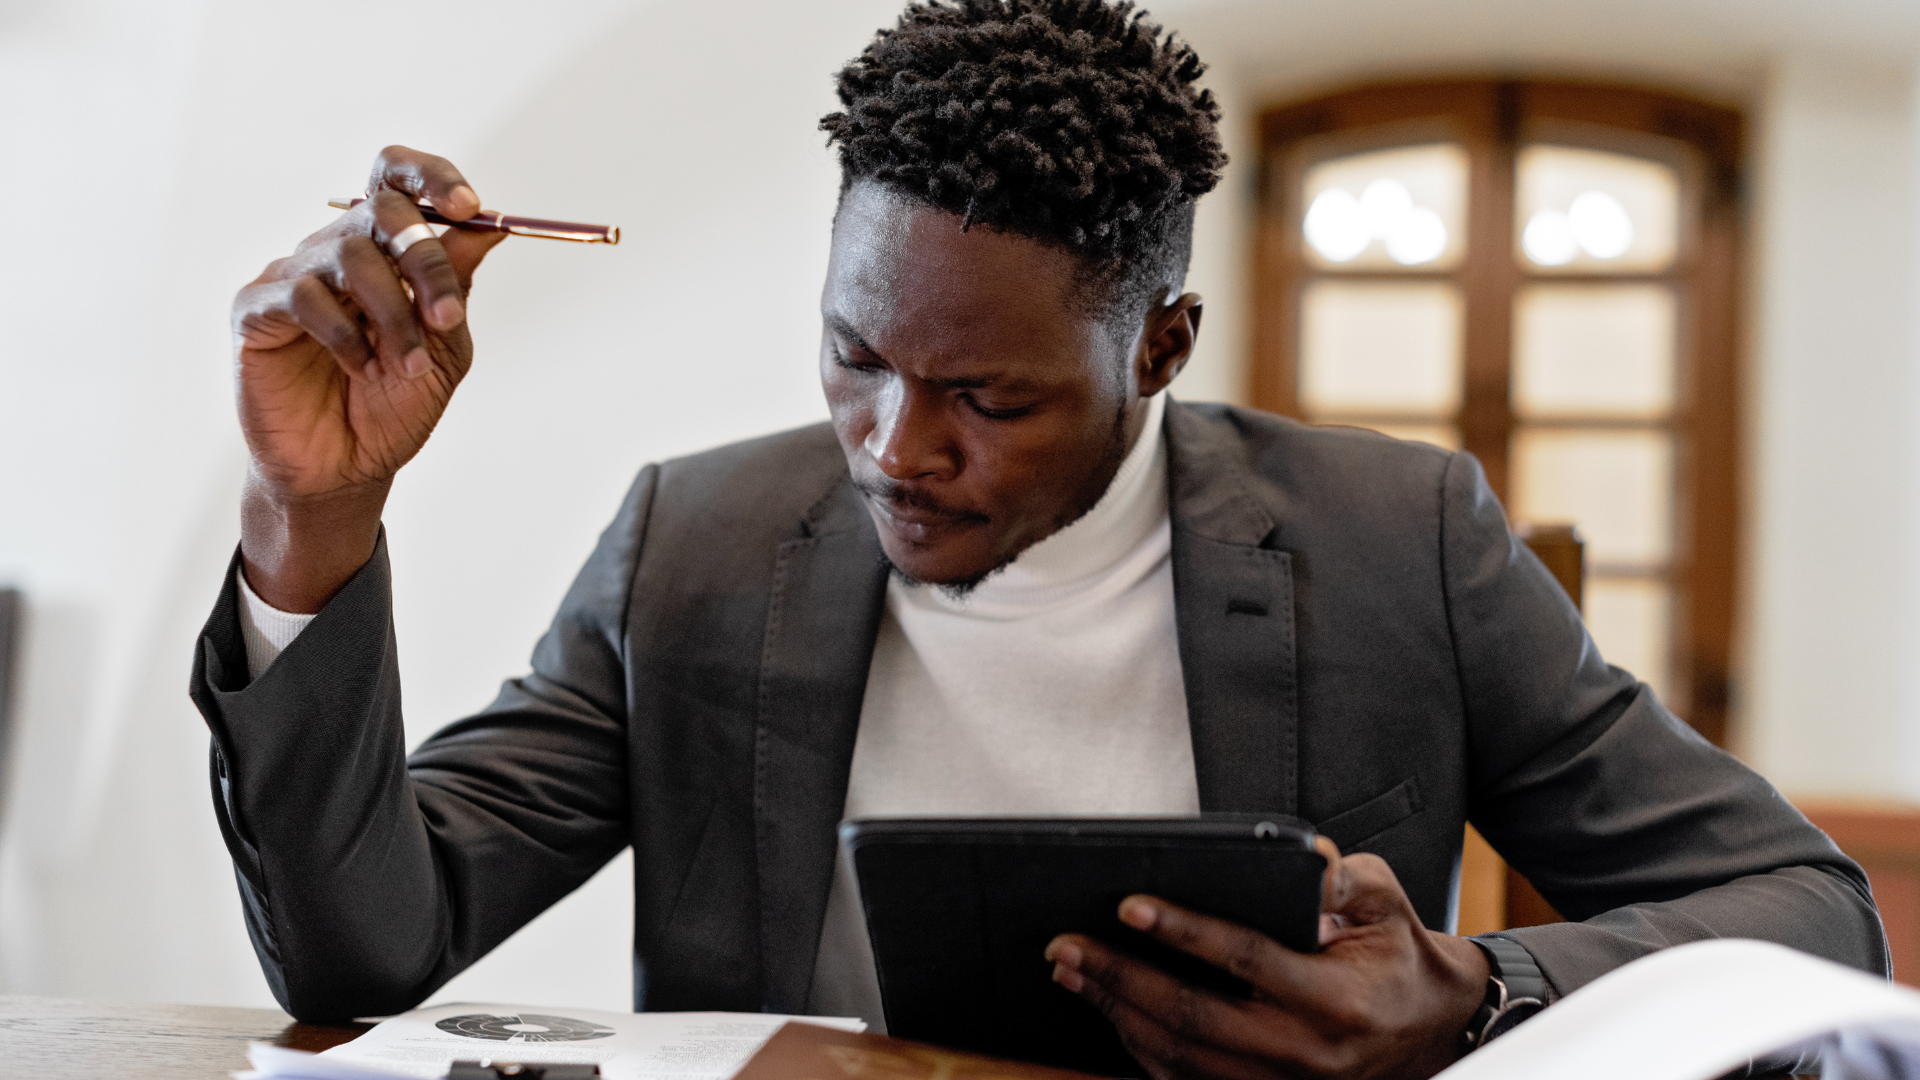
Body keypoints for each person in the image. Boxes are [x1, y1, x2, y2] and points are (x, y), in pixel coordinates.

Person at [192, 1, 1887, 1076]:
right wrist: (310, 519)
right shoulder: (700, 541)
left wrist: (1477, 989)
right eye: (854, 356)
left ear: (1159, 348)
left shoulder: (1397, 543)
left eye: (986, 401)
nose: (893, 447)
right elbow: (366, 947)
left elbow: (1806, 908)